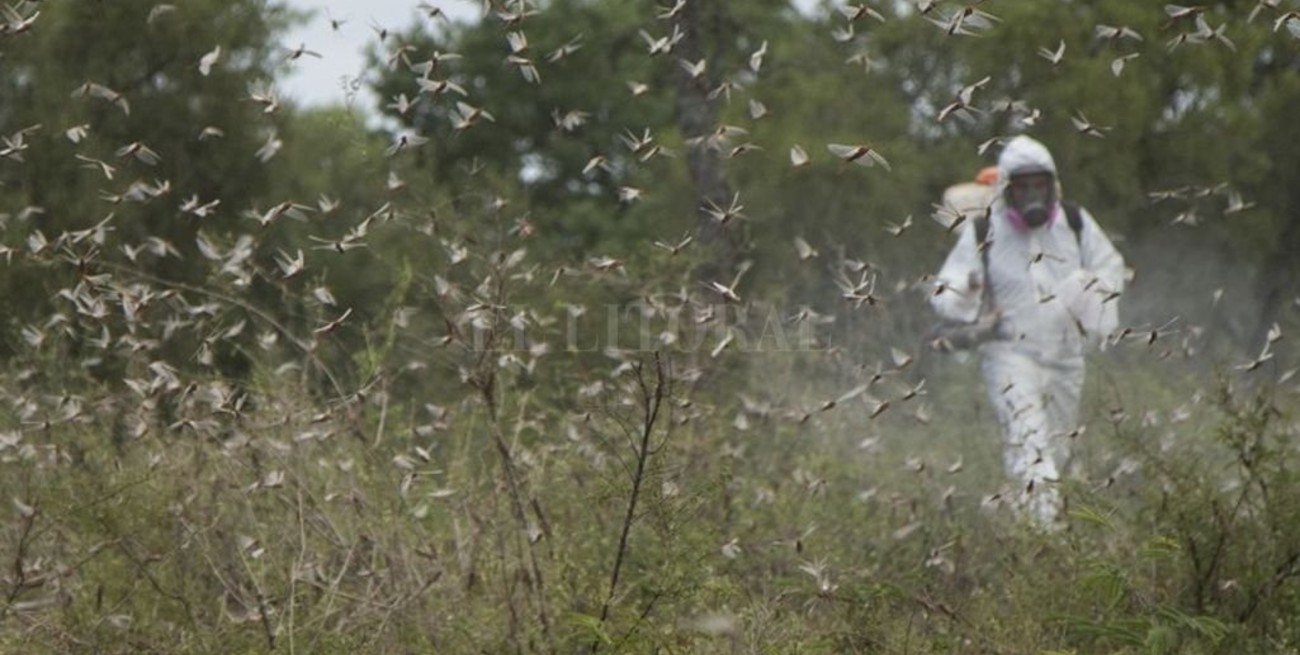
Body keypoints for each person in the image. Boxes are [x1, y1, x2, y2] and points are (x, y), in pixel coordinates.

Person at [929, 135, 1127, 527]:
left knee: (1059, 455)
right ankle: (1049, 545)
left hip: (1068, 357)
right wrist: (968, 286)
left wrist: (1089, 293)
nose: (1033, 193)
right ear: (1007, 189)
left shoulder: (1075, 221)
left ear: (1052, 185)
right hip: (1010, 356)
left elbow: (1111, 268)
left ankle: (1021, 536)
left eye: (1040, 184)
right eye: (1024, 186)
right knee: (1032, 454)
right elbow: (944, 290)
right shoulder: (983, 229)